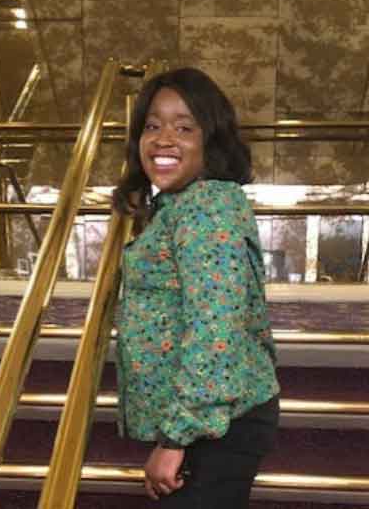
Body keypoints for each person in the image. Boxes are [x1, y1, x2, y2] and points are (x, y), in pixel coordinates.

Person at [113, 67, 281, 508]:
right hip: (209, 421)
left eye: (185, 127)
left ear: (212, 139)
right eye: (152, 125)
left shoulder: (207, 208)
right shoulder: (181, 206)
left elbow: (215, 329)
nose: (164, 138)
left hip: (214, 422)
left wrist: (177, 437)